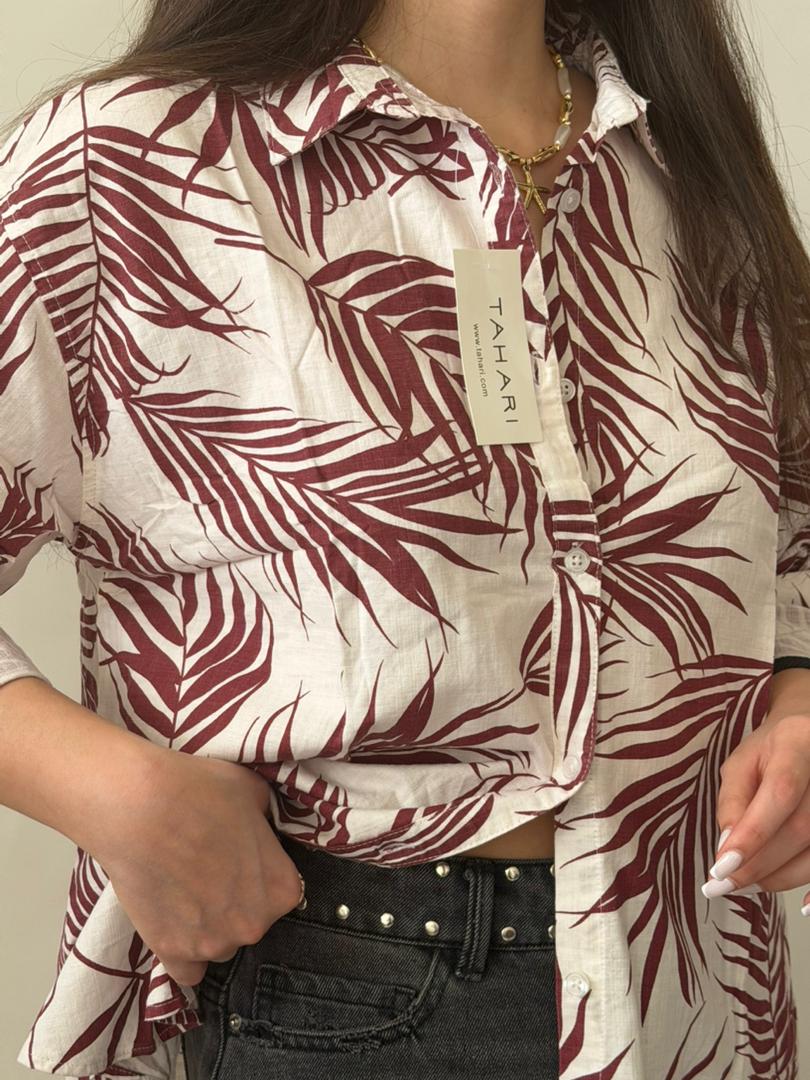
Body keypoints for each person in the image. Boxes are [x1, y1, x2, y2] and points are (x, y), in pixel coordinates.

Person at [2, 0, 810, 1077]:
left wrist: (799, 700)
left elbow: (789, 531)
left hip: (688, 995)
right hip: (332, 979)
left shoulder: (682, 163)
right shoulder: (133, 165)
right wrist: (116, 794)